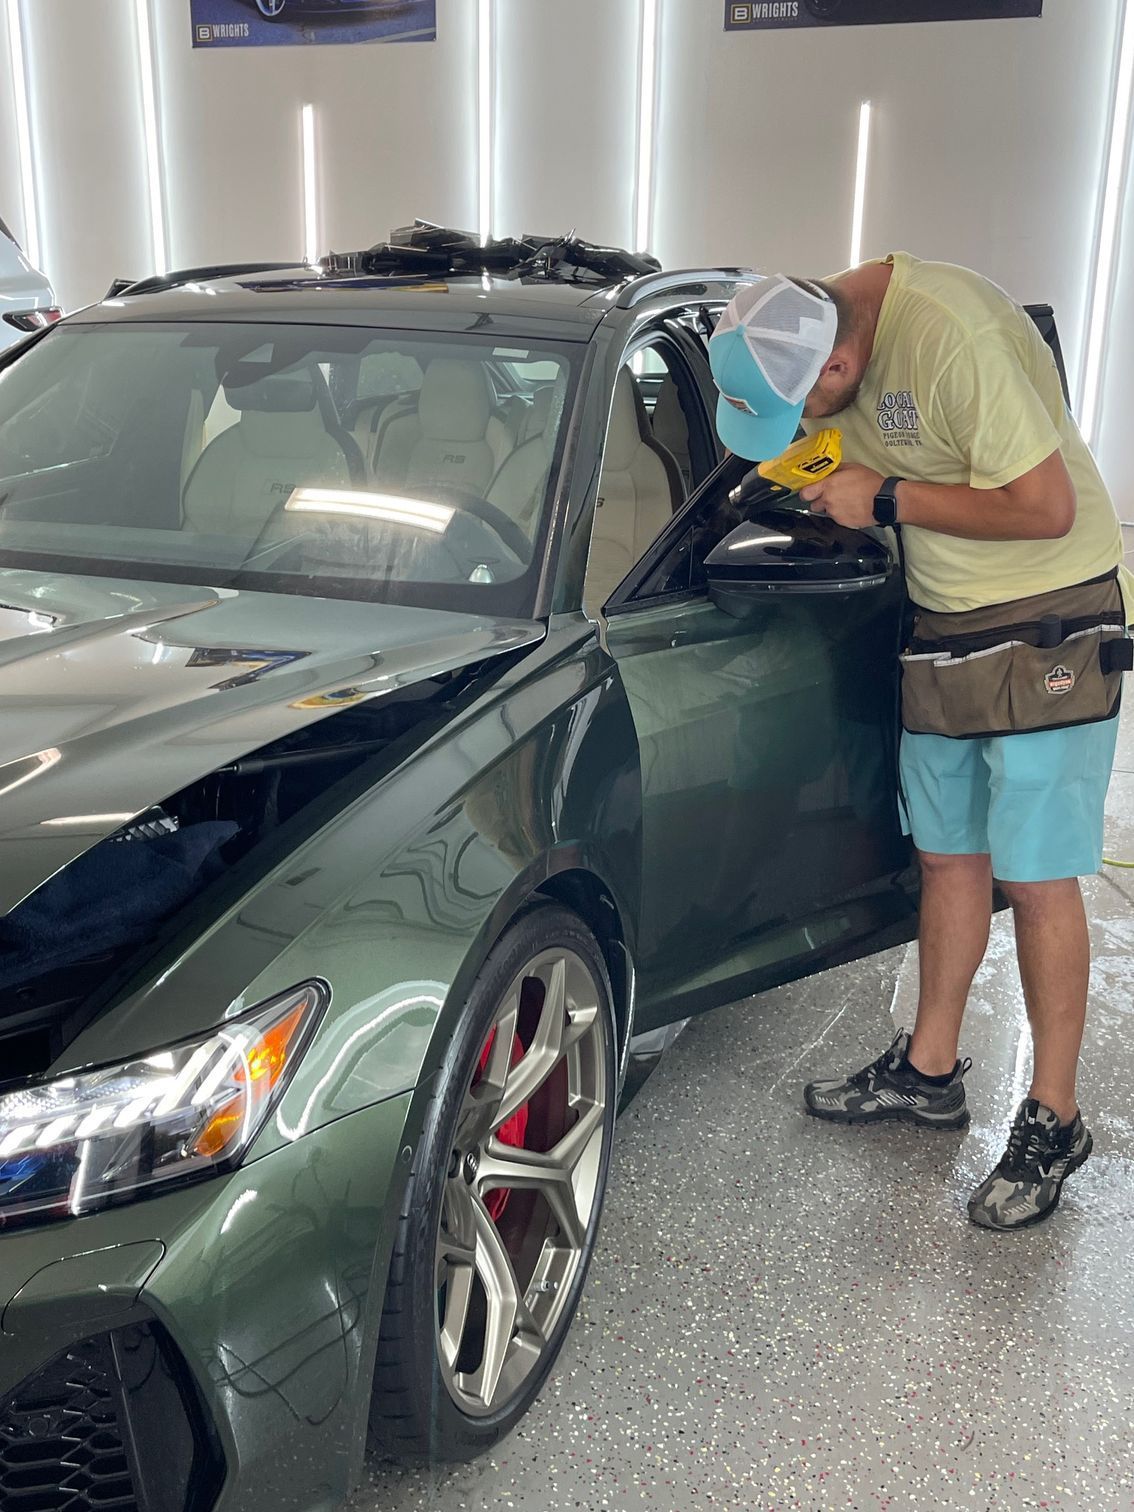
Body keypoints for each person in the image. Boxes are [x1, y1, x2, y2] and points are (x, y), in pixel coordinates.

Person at [708, 255, 1133, 1231]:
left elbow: (1048, 507)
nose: (803, 427)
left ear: (840, 364)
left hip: (1047, 619)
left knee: (1036, 877)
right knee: (948, 857)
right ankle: (929, 1073)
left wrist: (887, 496)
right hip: (943, 621)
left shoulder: (951, 337)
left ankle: (1055, 1117)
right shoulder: (797, 326)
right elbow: (811, 453)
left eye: (803, 411)